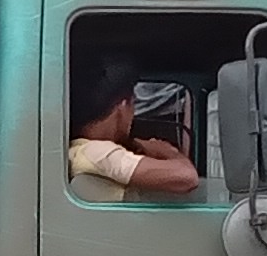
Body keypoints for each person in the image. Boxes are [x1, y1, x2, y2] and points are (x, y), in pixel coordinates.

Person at [66, 67, 201, 202]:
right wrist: (167, 151)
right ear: (123, 105)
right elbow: (187, 177)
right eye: (133, 105)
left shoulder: (78, 149)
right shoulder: (98, 152)